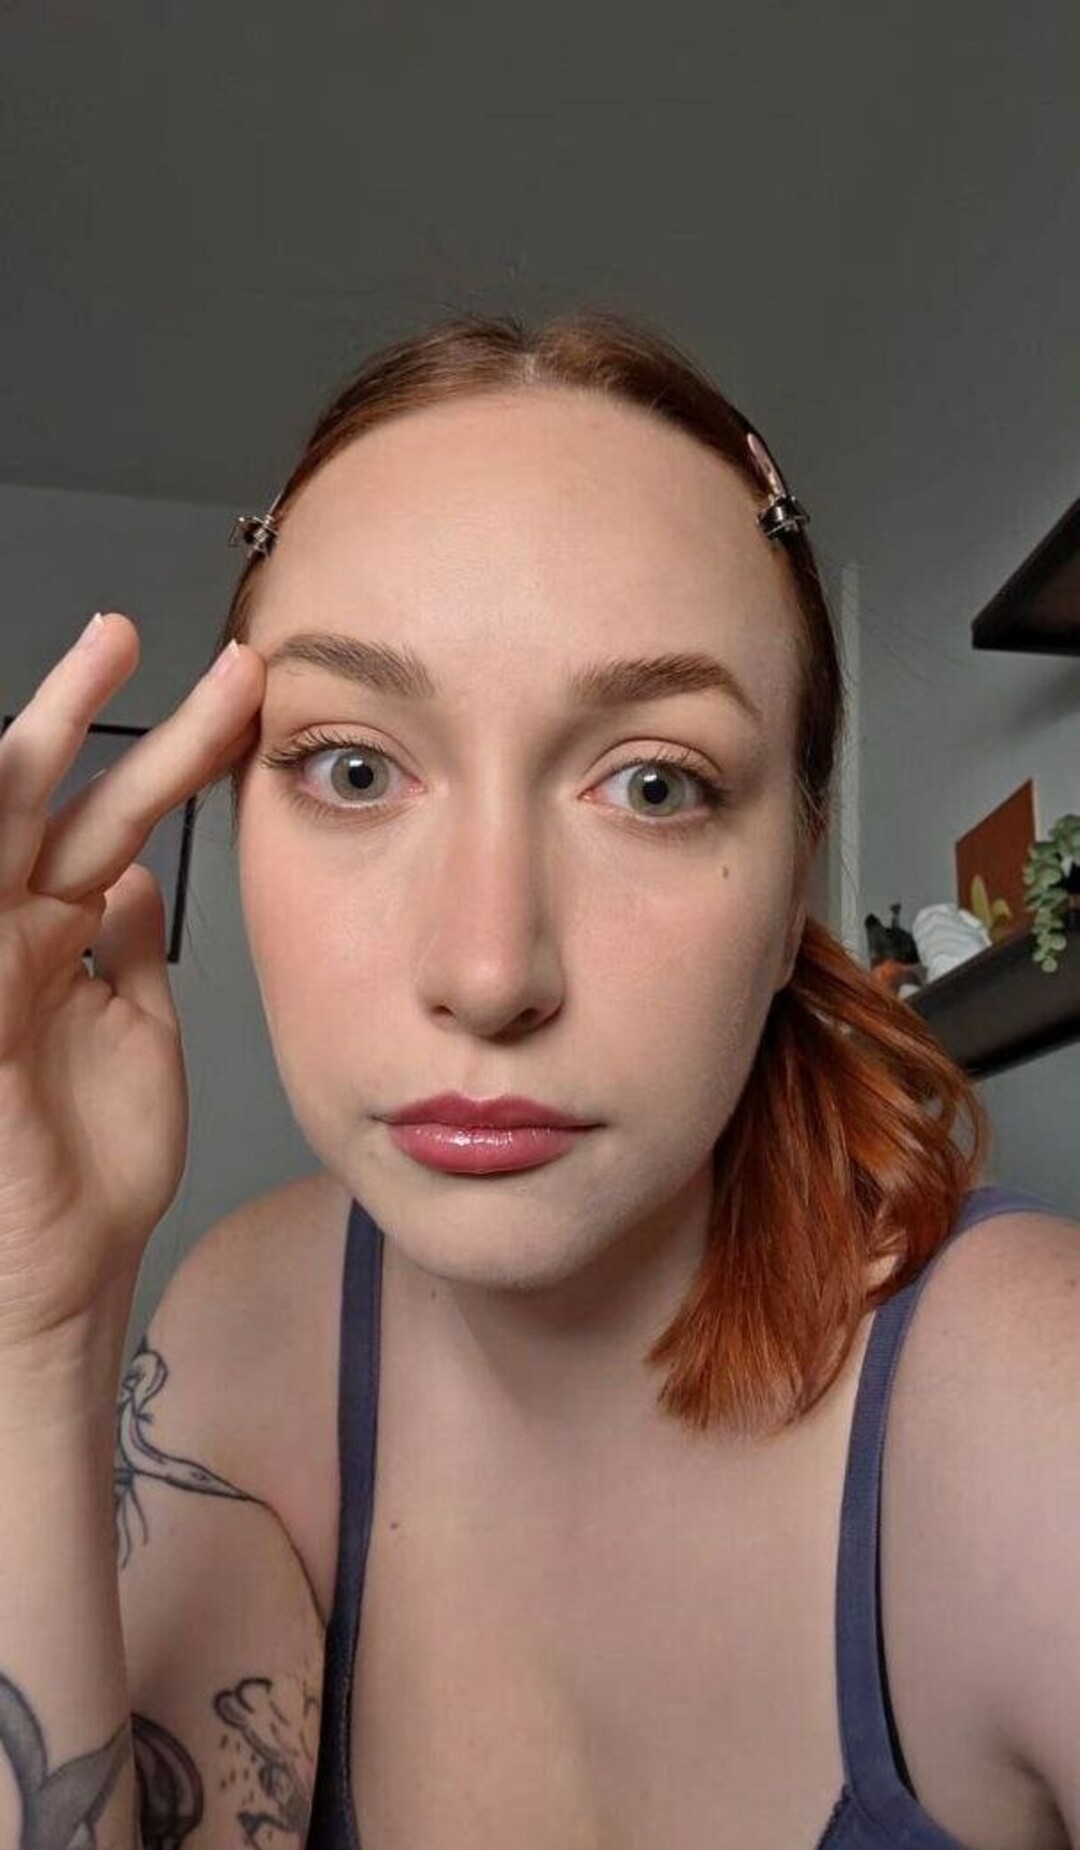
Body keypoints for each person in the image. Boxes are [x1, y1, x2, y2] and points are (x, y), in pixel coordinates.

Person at [0, 311, 1076, 1850]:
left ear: (795, 886)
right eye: (356, 768)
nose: (490, 967)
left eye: (653, 782)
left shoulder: (1030, 1399)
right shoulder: (252, 1326)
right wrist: (34, 1336)